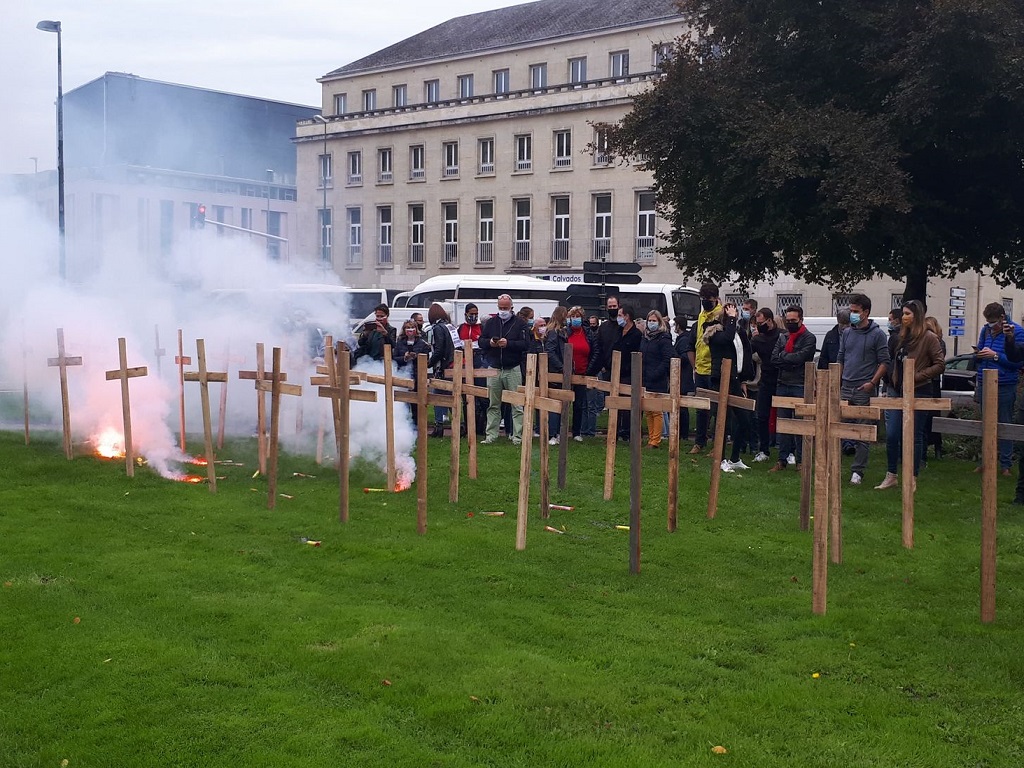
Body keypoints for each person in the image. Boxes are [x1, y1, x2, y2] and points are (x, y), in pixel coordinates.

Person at [875, 300, 945, 489]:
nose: (904, 317)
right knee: (891, 434)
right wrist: (891, 381)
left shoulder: (929, 338)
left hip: (919, 390)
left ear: (917, 316)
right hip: (896, 390)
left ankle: (912, 476)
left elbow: (939, 364)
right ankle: (891, 474)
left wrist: (916, 376)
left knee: (914, 435)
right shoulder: (899, 337)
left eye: (908, 314)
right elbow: (893, 361)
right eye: (903, 313)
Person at [838, 294, 891, 485]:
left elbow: (884, 362)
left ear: (866, 312)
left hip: (864, 389)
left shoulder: (878, 334)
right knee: (837, 428)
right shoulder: (847, 333)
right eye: (850, 311)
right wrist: (839, 380)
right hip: (846, 386)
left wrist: (872, 383)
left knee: (863, 431)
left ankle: (857, 472)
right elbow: (841, 358)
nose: (852, 315)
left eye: (855, 311)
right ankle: (833, 466)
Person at [974, 302, 1024, 474]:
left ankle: (1005, 465)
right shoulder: (985, 330)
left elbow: (1017, 361)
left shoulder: (1016, 331)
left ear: (1002, 318)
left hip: (1004, 383)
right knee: (985, 423)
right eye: (988, 321)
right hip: (984, 380)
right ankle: (985, 461)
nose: (990, 325)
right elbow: (980, 351)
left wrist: (995, 356)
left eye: (993, 322)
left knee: (1004, 423)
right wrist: (979, 354)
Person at [705, 301, 754, 471]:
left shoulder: (738, 332)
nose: (734, 316)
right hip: (721, 379)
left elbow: (743, 354)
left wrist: (743, 380)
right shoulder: (714, 331)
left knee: (744, 419)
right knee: (722, 421)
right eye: (731, 314)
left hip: (734, 379)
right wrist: (731, 320)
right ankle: (721, 459)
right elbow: (727, 338)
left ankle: (734, 457)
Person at [768, 306, 817, 472]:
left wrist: (785, 357)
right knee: (783, 424)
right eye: (787, 321)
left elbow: (802, 358)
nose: (790, 324)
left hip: (800, 384)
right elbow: (774, 358)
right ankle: (782, 459)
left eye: (793, 321)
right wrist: (788, 359)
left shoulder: (809, 338)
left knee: (800, 425)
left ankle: (801, 461)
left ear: (801, 320)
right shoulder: (783, 337)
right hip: (783, 383)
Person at [481, 294, 529, 444]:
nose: (503, 311)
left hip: (512, 368)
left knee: (517, 405)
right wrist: (490, 342)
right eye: (500, 308)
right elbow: (481, 341)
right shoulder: (491, 323)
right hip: (494, 367)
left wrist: (509, 344)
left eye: (505, 308)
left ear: (511, 308)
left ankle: (517, 437)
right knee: (493, 404)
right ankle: (491, 435)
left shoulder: (520, 323)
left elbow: (525, 344)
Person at [689, 283, 721, 454]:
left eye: (707, 299)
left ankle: (717, 444)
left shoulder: (720, 314)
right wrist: (695, 366)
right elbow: (695, 341)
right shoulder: (701, 315)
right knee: (701, 409)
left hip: (714, 369)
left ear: (715, 298)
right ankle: (700, 442)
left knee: (716, 410)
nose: (704, 302)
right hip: (700, 368)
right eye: (702, 299)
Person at [749, 307, 781, 462]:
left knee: (785, 415)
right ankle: (764, 449)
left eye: (761, 323)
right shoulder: (757, 339)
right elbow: (748, 353)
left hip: (782, 379)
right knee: (762, 415)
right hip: (766, 379)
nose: (759, 326)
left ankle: (787, 450)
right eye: (757, 323)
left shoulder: (782, 335)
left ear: (770, 320)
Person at [565, 306, 601, 441]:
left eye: (577, 316)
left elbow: (595, 352)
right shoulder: (565, 333)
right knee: (564, 402)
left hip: (582, 373)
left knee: (579, 404)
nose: (575, 319)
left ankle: (576, 432)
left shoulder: (588, 333)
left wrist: (589, 370)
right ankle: (560, 431)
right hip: (567, 373)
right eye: (573, 317)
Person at [589, 294, 622, 436]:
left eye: (614, 306)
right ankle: (612, 430)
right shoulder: (603, 328)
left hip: (623, 370)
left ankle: (622, 430)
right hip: (607, 369)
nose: (612, 309)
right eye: (610, 307)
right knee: (609, 402)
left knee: (622, 402)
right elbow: (599, 348)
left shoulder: (624, 327)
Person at [641, 311, 674, 448]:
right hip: (645, 377)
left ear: (659, 322)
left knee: (657, 410)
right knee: (648, 410)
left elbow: (667, 359)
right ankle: (651, 438)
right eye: (649, 320)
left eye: (654, 320)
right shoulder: (645, 338)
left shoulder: (664, 338)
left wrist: (656, 373)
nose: (651, 323)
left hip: (658, 378)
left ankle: (656, 440)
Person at [612, 304, 643, 441]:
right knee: (617, 401)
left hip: (629, 373)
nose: (618, 318)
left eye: (620, 315)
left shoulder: (636, 335)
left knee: (627, 404)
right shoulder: (619, 331)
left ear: (627, 317)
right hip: (617, 371)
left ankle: (627, 431)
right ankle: (617, 429)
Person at [427, 303, 457, 438]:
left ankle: (439, 426)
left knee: (438, 396)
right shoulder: (450, 326)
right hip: (452, 365)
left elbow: (438, 350)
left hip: (442, 366)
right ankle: (458, 424)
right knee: (452, 397)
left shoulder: (438, 328)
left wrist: (429, 363)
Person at [457, 303, 487, 436]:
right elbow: (457, 345)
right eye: (471, 314)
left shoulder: (482, 327)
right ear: (466, 314)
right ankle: (468, 426)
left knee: (482, 397)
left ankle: (482, 426)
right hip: (464, 365)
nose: (474, 316)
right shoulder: (460, 328)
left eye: (476, 313)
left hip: (479, 365)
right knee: (466, 396)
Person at [396, 319, 431, 427]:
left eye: (412, 327)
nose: (410, 330)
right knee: (403, 402)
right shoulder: (400, 343)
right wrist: (404, 358)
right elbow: (394, 358)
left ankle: (417, 426)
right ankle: (403, 426)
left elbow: (426, 360)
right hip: (403, 375)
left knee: (417, 403)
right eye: (407, 327)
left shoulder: (422, 344)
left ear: (416, 329)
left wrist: (416, 357)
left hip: (417, 376)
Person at [544, 307, 569, 445]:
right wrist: (561, 367)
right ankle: (553, 434)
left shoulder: (559, 331)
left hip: (558, 370)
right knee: (555, 404)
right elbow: (550, 351)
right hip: (556, 372)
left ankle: (557, 433)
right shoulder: (554, 332)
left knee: (559, 403)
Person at [923, 316, 946, 460]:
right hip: (929, 381)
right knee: (926, 417)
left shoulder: (938, 342)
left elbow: (938, 363)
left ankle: (936, 446)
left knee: (932, 417)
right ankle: (931, 447)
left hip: (932, 382)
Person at [672, 316, 695, 441]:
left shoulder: (684, 339)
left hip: (683, 376)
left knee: (682, 406)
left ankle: (684, 434)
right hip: (681, 376)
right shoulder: (682, 339)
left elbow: (685, 358)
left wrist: (674, 354)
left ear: (678, 325)